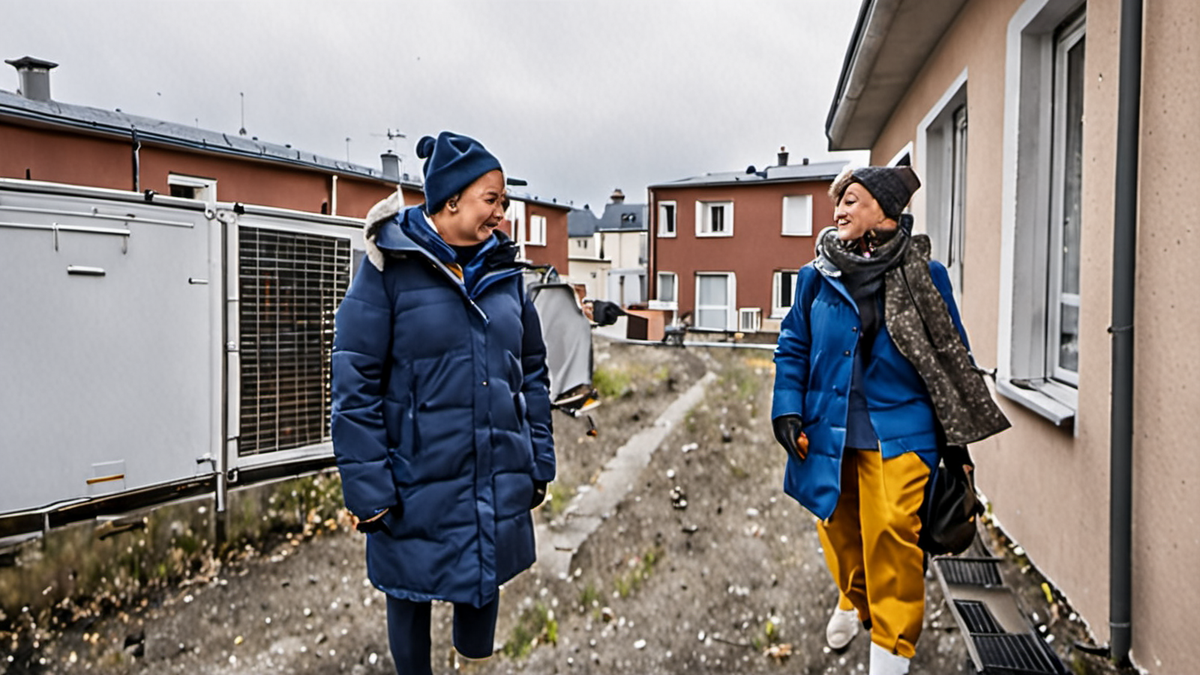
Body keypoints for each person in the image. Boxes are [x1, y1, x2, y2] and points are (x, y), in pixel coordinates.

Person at [331, 131, 555, 675]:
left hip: (493, 472)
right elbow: (353, 382)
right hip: (412, 482)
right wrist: (369, 490)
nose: (501, 214)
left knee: (482, 585)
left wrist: (539, 461)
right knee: (408, 595)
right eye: (491, 200)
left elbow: (531, 372)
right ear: (451, 199)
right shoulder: (388, 269)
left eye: (503, 202)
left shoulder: (505, 276)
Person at [771, 166, 1008, 674]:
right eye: (839, 201)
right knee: (837, 530)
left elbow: (952, 358)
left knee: (894, 533)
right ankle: (853, 599)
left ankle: (890, 653)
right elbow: (793, 344)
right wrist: (787, 408)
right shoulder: (817, 276)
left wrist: (956, 447)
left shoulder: (927, 275)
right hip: (828, 426)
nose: (839, 210)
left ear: (884, 210)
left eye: (852, 200)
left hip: (902, 428)